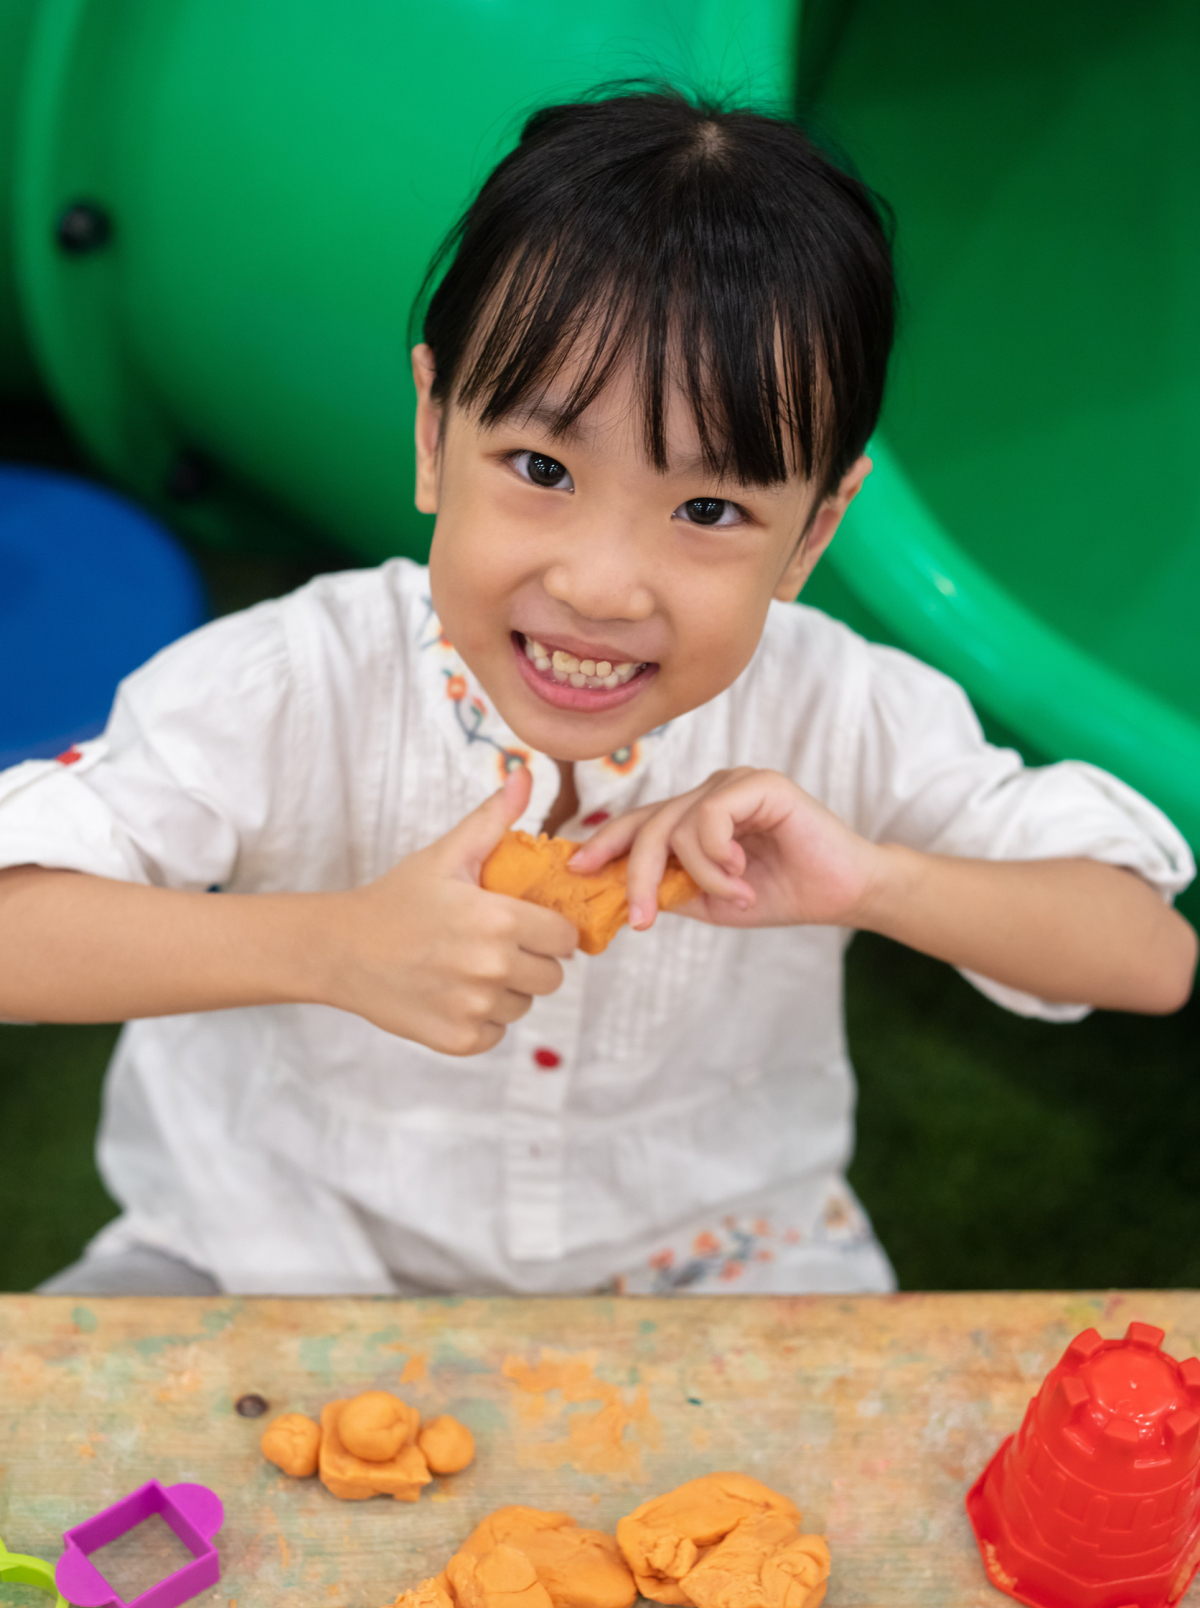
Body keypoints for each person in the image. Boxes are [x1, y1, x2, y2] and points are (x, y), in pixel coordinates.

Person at [0, 90, 1193, 1299]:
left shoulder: (846, 708)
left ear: (813, 533)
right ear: (430, 430)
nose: (602, 585)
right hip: (264, 1258)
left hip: (712, 1280)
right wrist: (333, 947)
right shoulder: (290, 680)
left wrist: (874, 880)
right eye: (541, 468)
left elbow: (1148, 955)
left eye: (711, 511)